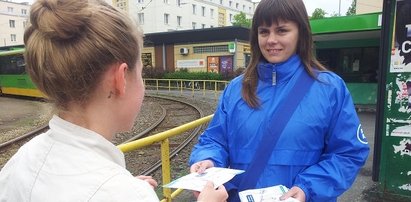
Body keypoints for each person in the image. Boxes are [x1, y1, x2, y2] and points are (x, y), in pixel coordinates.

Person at [0, 0, 227, 201]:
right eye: (141, 73)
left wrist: (122, 185)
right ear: (120, 79)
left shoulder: (20, 160)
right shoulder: (126, 194)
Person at [189, 0, 370, 201]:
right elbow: (215, 139)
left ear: (301, 33)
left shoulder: (330, 89)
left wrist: (307, 188)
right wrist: (207, 159)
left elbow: (348, 153)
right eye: (264, 32)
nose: (271, 40)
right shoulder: (236, 89)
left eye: (282, 31)